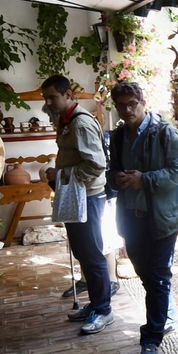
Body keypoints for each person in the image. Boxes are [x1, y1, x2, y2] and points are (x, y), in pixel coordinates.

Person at [106, 80, 178, 354]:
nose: (127, 109)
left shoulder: (164, 133)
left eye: (133, 103)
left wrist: (145, 179)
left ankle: (151, 339)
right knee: (145, 273)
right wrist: (115, 178)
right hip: (130, 217)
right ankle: (166, 311)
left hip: (162, 217)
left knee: (157, 277)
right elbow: (112, 171)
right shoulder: (118, 136)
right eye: (121, 105)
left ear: (143, 103)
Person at [41, 76, 116, 331]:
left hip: (89, 197)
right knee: (83, 252)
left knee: (91, 254)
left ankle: (104, 310)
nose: (48, 102)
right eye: (46, 98)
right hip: (78, 195)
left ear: (68, 95)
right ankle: (95, 304)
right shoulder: (65, 119)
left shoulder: (80, 123)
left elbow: (96, 165)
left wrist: (61, 175)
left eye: (53, 97)